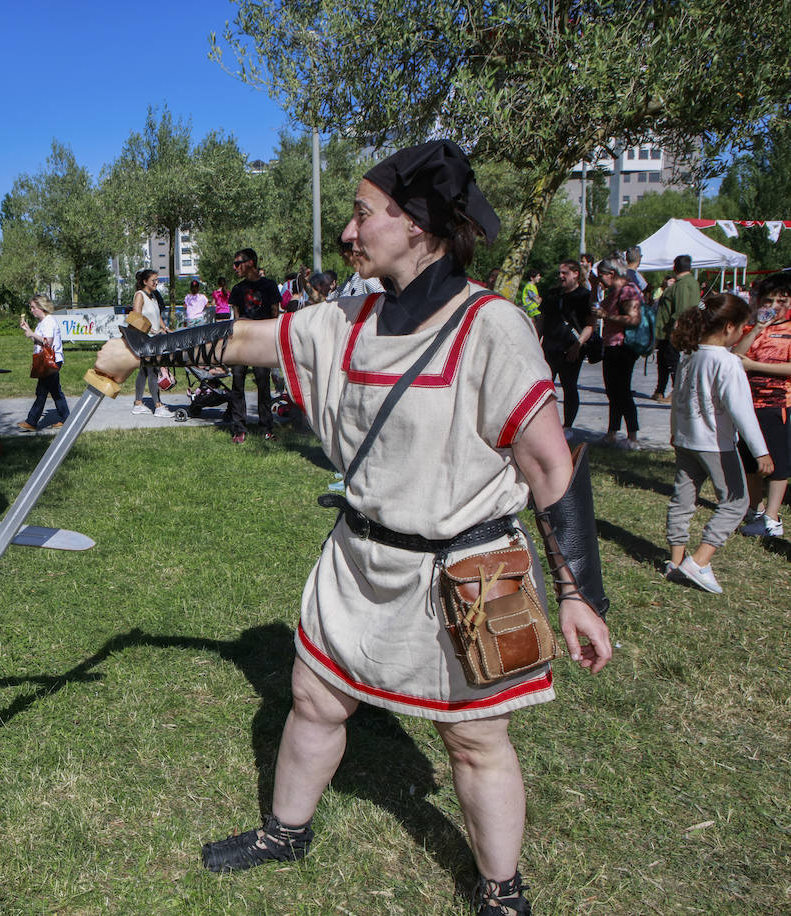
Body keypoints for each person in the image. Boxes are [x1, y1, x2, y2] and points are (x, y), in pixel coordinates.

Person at [90, 139, 611, 916]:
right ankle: (285, 832)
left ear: (419, 223)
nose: (348, 233)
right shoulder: (347, 319)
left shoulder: (491, 327)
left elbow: (547, 467)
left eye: (363, 215)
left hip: (463, 574)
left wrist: (578, 594)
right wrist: (145, 348)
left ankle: (501, 892)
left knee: (474, 740)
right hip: (359, 560)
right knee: (314, 698)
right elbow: (253, 340)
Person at [665, 293, 771, 593]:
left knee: (682, 500)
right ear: (729, 327)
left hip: (685, 441)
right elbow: (741, 411)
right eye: (742, 328)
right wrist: (760, 450)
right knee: (736, 502)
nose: (742, 334)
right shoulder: (727, 363)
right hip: (715, 445)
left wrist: (674, 432)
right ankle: (698, 561)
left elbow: (677, 401)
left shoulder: (689, 354)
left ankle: (675, 562)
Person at [732, 272, 791, 538]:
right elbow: (735, 356)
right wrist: (756, 329)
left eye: (782, 300)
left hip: (778, 404)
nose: (775, 306)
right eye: (769, 300)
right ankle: (755, 509)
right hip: (747, 404)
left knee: (778, 464)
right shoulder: (752, 326)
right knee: (750, 460)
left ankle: (772, 518)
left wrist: (755, 366)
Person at [228, 248, 281, 442]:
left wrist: (271, 341)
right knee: (237, 383)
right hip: (241, 344)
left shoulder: (269, 286)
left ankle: (267, 427)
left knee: (263, 384)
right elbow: (236, 319)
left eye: (237, 263)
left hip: (262, 343)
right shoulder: (237, 289)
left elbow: (275, 314)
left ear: (250, 263)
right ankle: (239, 428)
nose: (234, 268)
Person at [539, 259, 595, 431]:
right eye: (560, 273)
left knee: (569, 386)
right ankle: (545, 424)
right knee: (545, 387)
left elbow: (590, 324)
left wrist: (578, 345)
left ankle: (568, 426)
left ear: (576, 274)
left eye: (565, 273)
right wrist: (535, 342)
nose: (561, 276)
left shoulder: (584, 296)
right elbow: (542, 320)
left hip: (570, 349)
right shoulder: (552, 294)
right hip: (550, 347)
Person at [594, 257, 643, 447]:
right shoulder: (614, 292)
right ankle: (612, 432)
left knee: (622, 391)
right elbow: (596, 306)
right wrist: (593, 287)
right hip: (611, 345)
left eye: (601, 276)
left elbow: (634, 319)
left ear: (611, 274)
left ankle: (633, 436)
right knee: (612, 391)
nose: (600, 280)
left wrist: (608, 316)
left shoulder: (628, 290)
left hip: (623, 346)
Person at [16, 295, 71, 430]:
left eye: (33, 307)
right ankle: (66, 419)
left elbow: (48, 342)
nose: (31, 310)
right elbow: (38, 342)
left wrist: (31, 334)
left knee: (42, 391)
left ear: (41, 307)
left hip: (51, 361)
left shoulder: (49, 321)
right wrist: (29, 330)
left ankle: (32, 421)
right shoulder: (42, 323)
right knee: (55, 391)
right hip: (47, 361)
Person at [128, 270, 174, 418]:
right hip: (144, 339)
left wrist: (164, 327)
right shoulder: (140, 295)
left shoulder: (153, 296)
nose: (156, 283)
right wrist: (151, 330)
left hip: (154, 338)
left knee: (144, 371)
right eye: (153, 280)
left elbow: (157, 315)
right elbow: (136, 317)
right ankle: (158, 406)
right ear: (145, 282)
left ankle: (138, 404)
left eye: (157, 280)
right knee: (153, 370)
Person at [653, 256, 698, 402]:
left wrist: (676, 330)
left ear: (674, 267)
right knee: (663, 359)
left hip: (673, 330)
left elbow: (682, 308)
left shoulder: (683, 284)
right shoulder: (688, 282)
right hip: (668, 331)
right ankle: (660, 389)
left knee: (672, 361)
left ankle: (676, 392)